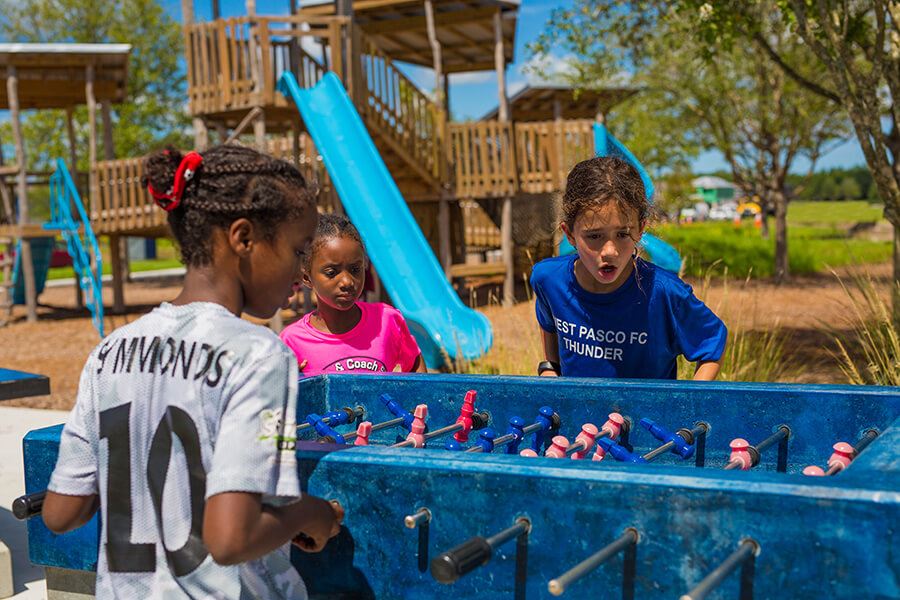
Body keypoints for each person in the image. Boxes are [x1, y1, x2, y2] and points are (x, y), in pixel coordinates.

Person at [41, 145, 343, 599]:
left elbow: (61, 512)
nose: (301, 273)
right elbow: (230, 539)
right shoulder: (257, 355)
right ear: (243, 238)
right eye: (299, 250)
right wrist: (309, 514)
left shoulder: (110, 351)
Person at [531, 156, 727, 380]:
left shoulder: (664, 292)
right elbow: (548, 322)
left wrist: (688, 402)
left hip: (649, 415)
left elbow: (712, 342)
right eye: (594, 236)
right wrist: (549, 366)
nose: (610, 251)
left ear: (641, 229)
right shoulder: (548, 279)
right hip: (576, 415)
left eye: (623, 234)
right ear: (569, 234)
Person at [280, 213, 427, 377]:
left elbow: (414, 363)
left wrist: (417, 398)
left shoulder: (386, 320)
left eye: (355, 270)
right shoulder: (292, 341)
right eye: (332, 272)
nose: (347, 282)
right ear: (307, 277)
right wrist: (297, 385)